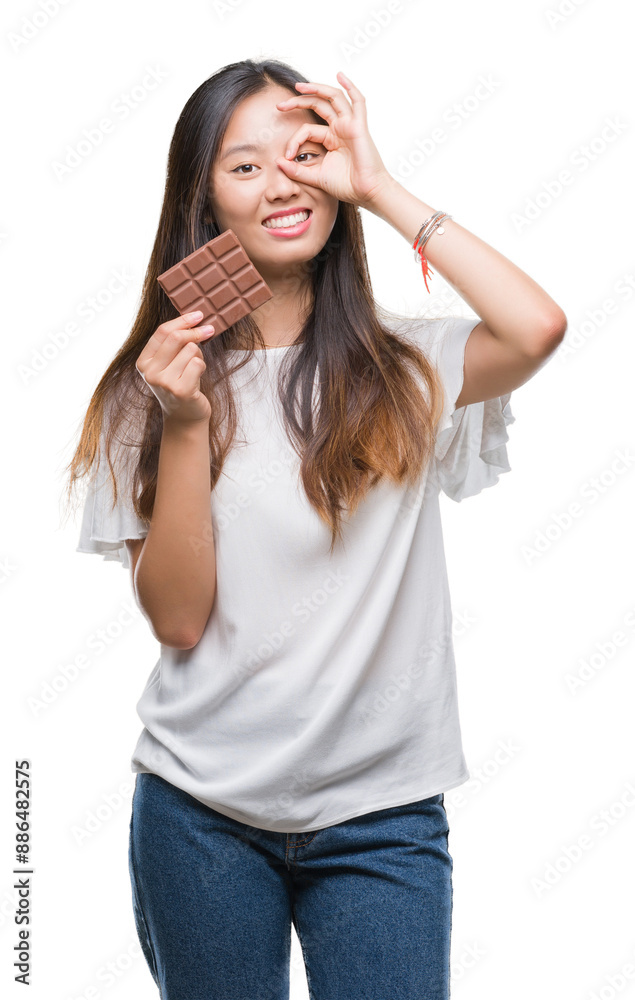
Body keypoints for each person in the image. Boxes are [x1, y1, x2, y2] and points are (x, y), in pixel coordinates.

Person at [65, 58, 567, 1000]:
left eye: (307, 153)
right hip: (200, 815)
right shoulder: (158, 387)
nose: (284, 183)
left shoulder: (410, 366)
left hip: (384, 818)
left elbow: (537, 327)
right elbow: (177, 621)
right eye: (243, 166)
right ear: (204, 201)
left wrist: (380, 186)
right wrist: (184, 425)